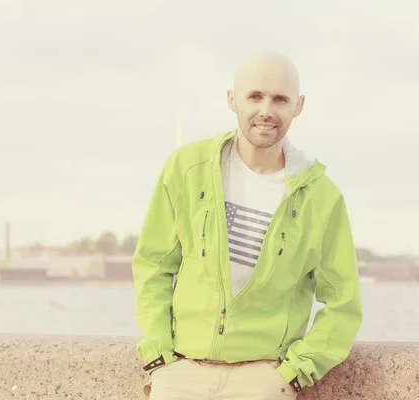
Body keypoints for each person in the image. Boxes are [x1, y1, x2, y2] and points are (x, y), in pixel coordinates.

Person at [132, 51, 362, 399]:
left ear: (298, 106)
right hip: (181, 371)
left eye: (279, 99)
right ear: (232, 100)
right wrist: (159, 354)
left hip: (263, 377)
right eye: (255, 96)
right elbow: (153, 264)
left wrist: (296, 371)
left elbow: (343, 301)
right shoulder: (187, 168)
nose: (266, 110)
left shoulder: (321, 197)